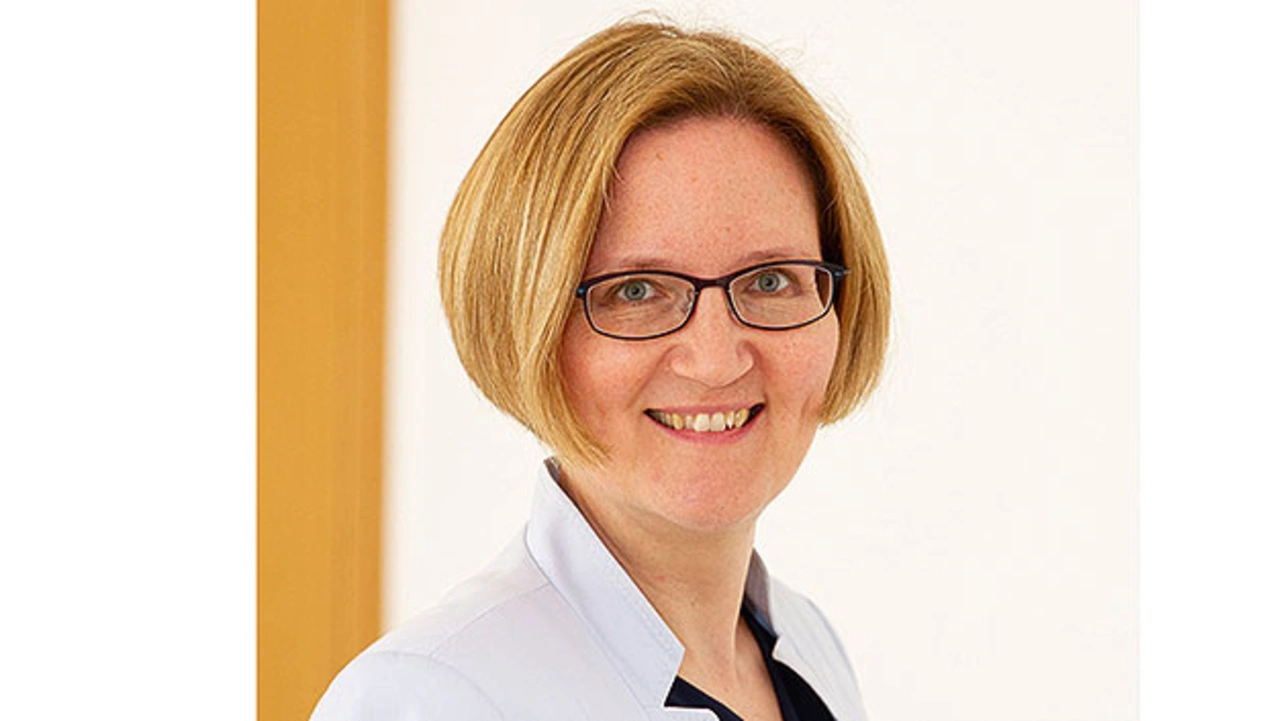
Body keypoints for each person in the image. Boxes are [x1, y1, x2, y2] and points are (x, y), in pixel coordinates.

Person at [312, 18, 889, 721]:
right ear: (528, 319)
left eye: (771, 281)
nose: (715, 360)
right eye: (636, 291)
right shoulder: (427, 698)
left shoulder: (810, 649)